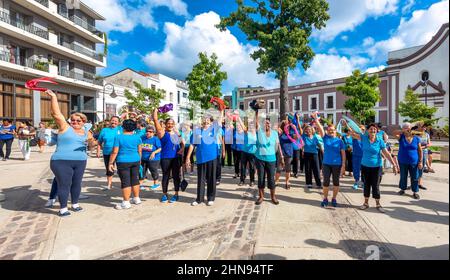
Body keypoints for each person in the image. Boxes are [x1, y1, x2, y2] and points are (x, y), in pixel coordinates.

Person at [45, 90, 94, 217]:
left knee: (77, 183)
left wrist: (92, 143)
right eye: (73, 120)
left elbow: (92, 146)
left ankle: (75, 204)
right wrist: (54, 97)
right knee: (64, 184)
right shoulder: (65, 127)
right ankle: (62, 208)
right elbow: (56, 114)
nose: (75, 122)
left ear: (83, 122)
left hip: (80, 161)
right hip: (61, 161)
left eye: (79, 120)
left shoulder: (86, 132)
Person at [345, 122, 399, 212]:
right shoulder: (364, 138)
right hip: (365, 166)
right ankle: (366, 203)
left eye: (374, 129)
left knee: (376, 185)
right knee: (366, 185)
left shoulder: (379, 140)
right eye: (371, 129)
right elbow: (352, 134)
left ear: (377, 130)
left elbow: (386, 153)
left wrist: (394, 164)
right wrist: (347, 123)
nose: (373, 130)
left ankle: (378, 204)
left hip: (377, 167)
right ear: (367, 131)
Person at [186, 115, 222, 206]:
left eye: (208, 120)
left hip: (212, 157)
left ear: (211, 122)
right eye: (204, 120)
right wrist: (188, 157)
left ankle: (210, 198)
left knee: (211, 179)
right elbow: (192, 145)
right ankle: (199, 199)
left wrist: (221, 109)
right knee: (201, 179)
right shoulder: (197, 131)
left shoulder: (214, 129)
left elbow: (220, 119)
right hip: (201, 158)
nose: (206, 121)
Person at [108, 119, 142, 210]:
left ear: (123, 127)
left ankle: (126, 202)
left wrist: (111, 163)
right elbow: (139, 150)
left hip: (123, 161)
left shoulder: (119, 137)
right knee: (135, 179)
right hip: (136, 160)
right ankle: (136, 198)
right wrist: (140, 161)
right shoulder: (137, 137)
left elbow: (115, 151)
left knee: (125, 181)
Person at [153, 109, 184, 203]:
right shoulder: (162, 133)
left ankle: (176, 194)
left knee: (176, 176)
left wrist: (182, 148)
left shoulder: (177, 133)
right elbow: (155, 120)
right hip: (165, 157)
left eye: (172, 123)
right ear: (165, 125)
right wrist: (156, 110)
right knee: (165, 176)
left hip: (176, 158)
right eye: (168, 123)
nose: (170, 125)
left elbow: (182, 143)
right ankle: (164, 194)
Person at [315, 113, 346, 208]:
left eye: (333, 130)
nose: (331, 131)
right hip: (326, 164)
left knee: (336, 182)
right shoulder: (325, 138)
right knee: (326, 182)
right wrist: (316, 120)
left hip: (337, 164)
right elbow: (320, 128)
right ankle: (325, 198)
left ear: (335, 131)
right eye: (329, 130)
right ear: (327, 131)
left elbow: (343, 154)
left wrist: (343, 165)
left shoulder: (340, 141)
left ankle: (334, 198)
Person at [254, 111, 282, 205]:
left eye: (268, 123)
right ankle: (261, 197)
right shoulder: (259, 131)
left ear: (270, 124)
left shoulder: (275, 133)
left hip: (271, 159)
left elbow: (277, 145)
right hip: (260, 159)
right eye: (265, 123)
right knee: (261, 178)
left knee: (271, 179)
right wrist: (256, 112)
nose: (266, 124)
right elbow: (256, 122)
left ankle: (273, 197)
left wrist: (277, 155)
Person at [393, 123, 423, 199]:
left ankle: (415, 191)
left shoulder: (416, 138)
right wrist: (403, 131)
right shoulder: (401, 137)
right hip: (403, 161)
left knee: (415, 176)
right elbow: (394, 132)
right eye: (406, 128)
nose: (408, 129)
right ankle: (402, 189)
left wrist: (420, 161)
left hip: (414, 161)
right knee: (403, 176)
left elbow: (420, 150)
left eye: (409, 128)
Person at [97, 116, 121, 190]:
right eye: (112, 120)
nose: (114, 122)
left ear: (119, 122)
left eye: (116, 121)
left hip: (119, 152)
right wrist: (98, 151)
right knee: (109, 169)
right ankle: (109, 184)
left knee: (121, 169)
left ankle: (123, 183)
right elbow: (99, 142)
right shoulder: (104, 130)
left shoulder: (121, 129)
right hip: (107, 152)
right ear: (110, 121)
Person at [299, 124, 322, 189]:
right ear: (305, 130)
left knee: (316, 169)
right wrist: (302, 149)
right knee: (308, 169)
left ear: (312, 130)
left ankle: (318, 184)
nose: (308, 130)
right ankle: (309, 183)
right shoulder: (304, 136)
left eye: (309, 129)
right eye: (307, 129)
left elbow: (319, 144)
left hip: (315, 154)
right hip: (307, 154)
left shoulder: (315, 136)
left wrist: (322, 151)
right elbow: (301, 144)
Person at [237, 116, 257, 187]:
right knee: (243, 167)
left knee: (252, 167)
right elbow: (242, 125)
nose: (251, 127)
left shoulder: (256, 134)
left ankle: (252, 181)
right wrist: (238, 117)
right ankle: (242, 180)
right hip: (244, 152)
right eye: (250, 126)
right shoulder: (246, 132)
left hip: (252, 153)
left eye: (252, 126)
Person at [140, 125, 161, 190]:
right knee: (142, 171)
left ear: (153, 133)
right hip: (143, 158)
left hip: (153, 159)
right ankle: (140, 184)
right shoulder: (142, 137)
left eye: (150, 131)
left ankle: (156, 184)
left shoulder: (155, 139)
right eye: (147, 131)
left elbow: (160, 148)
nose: (148, 132)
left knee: (153, 171)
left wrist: (154, 152)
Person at [276, 119, 295, 190]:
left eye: (287, 126)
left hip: (289, 153)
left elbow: (298, 137)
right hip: (281, 153)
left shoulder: (291, 134)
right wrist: (281, 154)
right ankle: (276, 181)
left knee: (288, 169)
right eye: (285, 126)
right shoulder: (280, 134)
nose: (286, 127)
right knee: (279, 169)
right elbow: (278, 145)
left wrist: (295, 128)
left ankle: (287, 182)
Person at [351, 125, 366, 190]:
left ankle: (363, 183)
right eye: (360, 129)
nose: (361, 130)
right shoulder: (355, 136)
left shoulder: (365, 137)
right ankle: (356, 182)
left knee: (364, 170)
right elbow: (351, 132)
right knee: (356, 170)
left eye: (362, 129)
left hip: (364, 156)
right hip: (356, 156)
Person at [417, 123, 430, 190]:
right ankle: (414, 183)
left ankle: (419, 183)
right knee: (415, 167)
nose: (423, 128)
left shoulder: (427, 135)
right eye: (422, 127)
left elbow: (429, 144)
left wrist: (422, 147)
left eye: (424, 127)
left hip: (424, 152)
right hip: (416, 152)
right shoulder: (416, 134)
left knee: (421, 168)